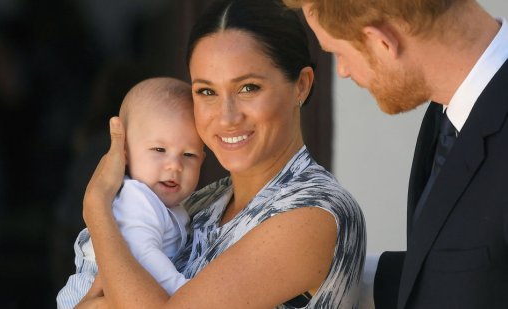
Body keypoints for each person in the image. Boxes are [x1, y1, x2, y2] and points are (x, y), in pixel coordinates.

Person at [76, 0, 366, 308]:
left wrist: (97, 208)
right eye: (206, 91)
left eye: (248, 88)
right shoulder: (202, 203)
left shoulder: (314, 213)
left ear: (301, 86)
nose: (226, 117)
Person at [283, 0, 508, 308]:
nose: (344, 71)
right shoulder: (448, 112)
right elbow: (473, 271)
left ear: (382, 42)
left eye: (337, 52)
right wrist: (329, 271)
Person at [57, 77, 206, 308]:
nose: (174, 165)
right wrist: (183, 292)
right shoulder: (136, 198)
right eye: (159, 149)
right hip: (91, 292)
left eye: (189, 155)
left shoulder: (169, 205)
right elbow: (143, 255)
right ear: (124, 152)